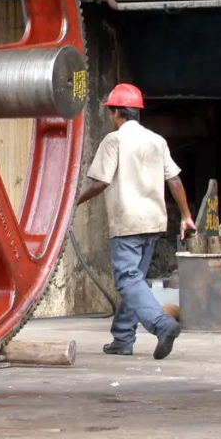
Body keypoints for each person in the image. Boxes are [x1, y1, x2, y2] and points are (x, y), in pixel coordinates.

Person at [77, 83, 197, 360]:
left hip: (128, 222)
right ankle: (122, 338)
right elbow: (174, 180)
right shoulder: (157, 140)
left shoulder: (114, 140)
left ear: (117, 113)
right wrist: (186, 216)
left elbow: (100, 182)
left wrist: (76, 201)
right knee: (135, 280)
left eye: (111, 112)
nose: (111, 117)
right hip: (153, 222)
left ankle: (161, 324)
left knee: (128, 280)